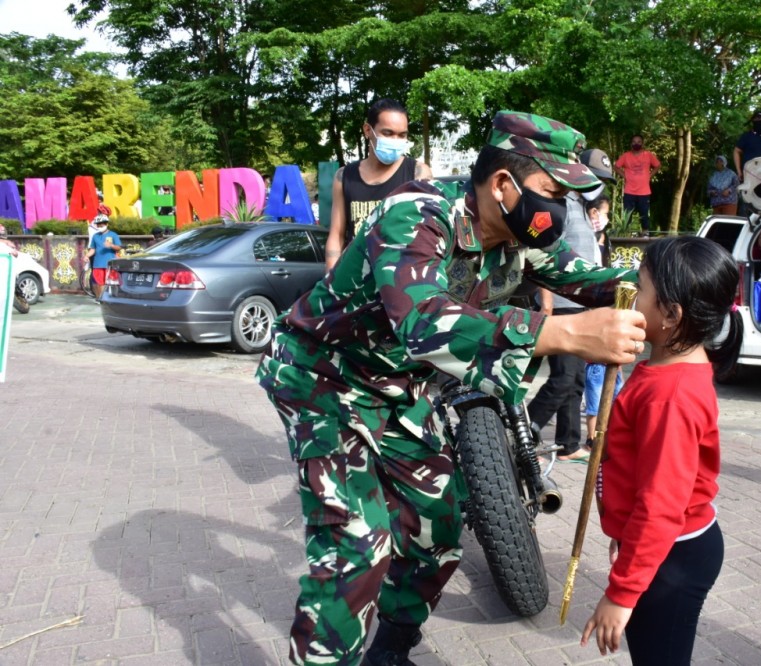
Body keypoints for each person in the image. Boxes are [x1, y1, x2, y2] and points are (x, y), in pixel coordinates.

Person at [256, 110, 646, 666]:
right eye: (553, 192)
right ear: (504, 185)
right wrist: (563, 333)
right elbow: (422, 321)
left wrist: (667, 287)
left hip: (395, 386)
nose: (561, 210)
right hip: (322, 377)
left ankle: (389, 651)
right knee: (356, 549)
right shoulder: (416, 215)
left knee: (436, 527)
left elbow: (589, 279)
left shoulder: (521, 234)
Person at [581, 236, 744, 663]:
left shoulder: (670, 396)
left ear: (671, 315)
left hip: (674, 555)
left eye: (641, 286)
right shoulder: (665, 368)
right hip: (662, 548)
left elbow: (660, 506)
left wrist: (622, 592)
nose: (631, 293)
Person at [527, 148, 614, 462]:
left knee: (575, 379)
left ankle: (568, 443)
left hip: (579, 304)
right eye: (596, 177)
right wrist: (546, 301)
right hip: (560, 304)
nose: (598, 185)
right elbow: (538, 252)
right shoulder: (559, 205)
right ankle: (525, 433)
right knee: (563, 377)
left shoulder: (580, 207)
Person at [324, 98, 432, 270]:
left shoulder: (417, 173)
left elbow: (428, 236)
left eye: (402, 135)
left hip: (400, 280)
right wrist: (331, 283)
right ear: (368, 130)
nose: (396, 140)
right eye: (388, 133)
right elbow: (336, 235)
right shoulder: (344, 176)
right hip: (356, 280)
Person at [581, 194, 623, 450]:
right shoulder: (584, 243)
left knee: (614, 390)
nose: (603, 219)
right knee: (595, 393)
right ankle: (592, 436)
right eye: (602, 212)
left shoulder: (599, 246)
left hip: (611, 343)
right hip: (597, 344)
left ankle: (609, 433)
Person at [614, 134, 660, 237]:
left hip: (644, 192)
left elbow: (657, 165)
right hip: (629, 191)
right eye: (634, 142)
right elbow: (616, 167)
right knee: (627, 216)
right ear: (631, 144)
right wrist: (624, 176)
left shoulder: (648, 155)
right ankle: (626, 235)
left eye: (639, 142)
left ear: (642, 143)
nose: (636, 144)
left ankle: (645, 234)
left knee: (644, 215)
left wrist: (650, 175)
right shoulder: (626, 156)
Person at [86, 215, 121, 302]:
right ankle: (101, 299)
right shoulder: (95, 236)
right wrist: (87, 256)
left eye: (102, 225)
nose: (100, 227)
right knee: (98, 283)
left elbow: (119, 247)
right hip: (98, 263)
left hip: (109, 263)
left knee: (110, 283)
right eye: (98, 225)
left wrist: (111, 245)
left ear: (107, 224)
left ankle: (110, 299)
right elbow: (93, 249)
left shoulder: (113, 235)